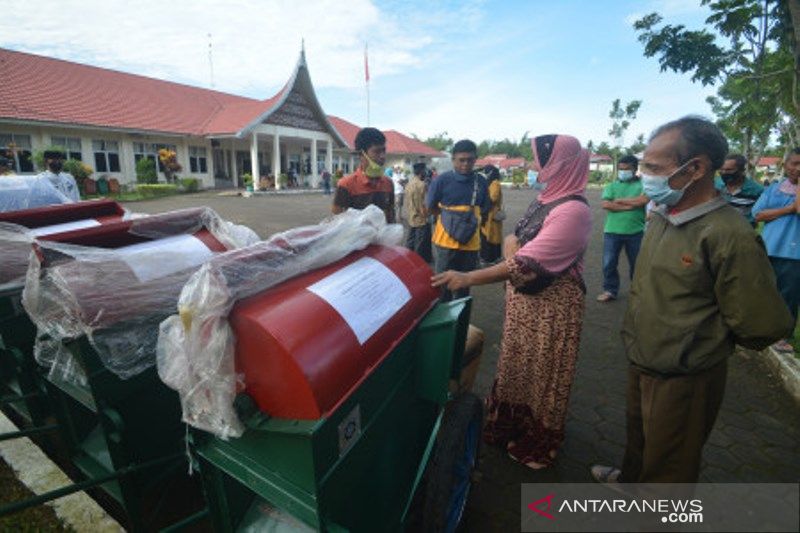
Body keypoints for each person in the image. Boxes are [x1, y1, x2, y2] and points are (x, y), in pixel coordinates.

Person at [591, 117, 794, 484]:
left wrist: (699, 344)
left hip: (684, 376)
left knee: (670, 466)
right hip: (644, 358)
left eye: (653, 168)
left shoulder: (729, 235)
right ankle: (627, 483)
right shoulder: (663, 217)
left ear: (696, 168)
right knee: (640, 443)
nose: (644, 176)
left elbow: (761, 324)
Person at [433, 134, 592, 469]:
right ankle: (509, 426)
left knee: (542, 376)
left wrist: (468, 278)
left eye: (541, 161)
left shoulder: (573, 211)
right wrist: (512, 251)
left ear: (560, 164)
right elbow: (512, 239)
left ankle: (537, 443)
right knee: (517, 368)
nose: (535, 167)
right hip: (525, 305)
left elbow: (523, 262)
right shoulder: (547, 198)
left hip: (552, 310)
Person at [425, 139, 490, 301]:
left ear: (475, 159)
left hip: (471, 244)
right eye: (461, 160)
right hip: (444, 243)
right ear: (453, 159)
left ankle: (460, 322)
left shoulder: (481, 182)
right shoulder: (441, 180)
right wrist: (447, 219)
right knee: (442, 286)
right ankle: (443, 322)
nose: (466, 164)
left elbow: (485, 208)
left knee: (464, 286)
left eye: (470, 160)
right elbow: (430, 206)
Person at [752, 148, 800, 354]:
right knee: (765, 291)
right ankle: (762, 329)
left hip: (794, 253)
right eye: (794, 163)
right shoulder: (774, 189)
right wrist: (788, 209)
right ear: (785, 165)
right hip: (769, 248)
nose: (798, 168)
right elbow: (758, 214)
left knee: (788, 295)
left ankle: (782, 336)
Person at [597, 155, 648, 302]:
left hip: (636, 231)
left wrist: (619, 201)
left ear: (635, 169)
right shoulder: (611, 186)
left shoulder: (643, 186)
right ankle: (610, 290)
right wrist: (632, 206)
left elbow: (643, 200)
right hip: (612, 231)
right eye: (620, 169)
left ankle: (637, 292)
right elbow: (606, 205)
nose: (623, 172)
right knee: (609, 264)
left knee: (637, 265)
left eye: (626, 169)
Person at [332, 128, 395, 222]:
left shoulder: (388, 183)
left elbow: (390, 215)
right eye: (377, 151)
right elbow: (336, 220)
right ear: (361, 154)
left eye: (384, 151)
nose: (382, 156)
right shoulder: (346, 185)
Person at [715, 153, 764, 225]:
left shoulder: (757, 191)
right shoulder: (716, 185)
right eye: (722, 170)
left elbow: (759, 215)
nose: (724, 173)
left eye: (729, 170)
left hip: (743, 233)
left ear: (742, 170)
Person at [404, 162, 432, 262]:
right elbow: (424, 204)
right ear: (422, 172)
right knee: (420, 242)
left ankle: (408, 259)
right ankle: (417, 261)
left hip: (411, 216)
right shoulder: (422, 185)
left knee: (410, 240)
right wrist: (426, 216)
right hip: (420, 217)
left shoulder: (408, 184)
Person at [480, 164, 503, 264]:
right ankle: (492, 257)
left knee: (490, 237)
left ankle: (489, 258)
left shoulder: (495, 183)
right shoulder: (491, 183)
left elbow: (493, 198)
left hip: (491, 214)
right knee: (490, 236)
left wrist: (481, 199)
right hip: (489, 214)